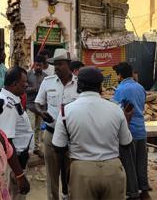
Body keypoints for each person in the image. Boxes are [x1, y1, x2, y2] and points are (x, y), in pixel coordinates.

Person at [53, 67, 132, 200]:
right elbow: (126, 144)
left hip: (81, 171)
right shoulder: (116, 110)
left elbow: (58, 147)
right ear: (100, 86)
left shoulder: (66, 111)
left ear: (79, 85)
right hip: (112, 170)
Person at [35, 49, 79, 200]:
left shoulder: (79, 84)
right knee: (52, 175)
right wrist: (41, 112)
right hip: (51, 134)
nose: (57, 67)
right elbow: (37, 104)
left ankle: (68, 196)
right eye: (55, 64)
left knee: (71, 173)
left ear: (69, 65)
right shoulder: (47, 82)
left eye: (60, 64)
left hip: (72, 137)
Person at [112, 62, 150, 199]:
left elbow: (115, 109)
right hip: (141, 130)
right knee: (141, 163)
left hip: (129, 131)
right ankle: (144, 190)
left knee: (129, 164)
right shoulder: (140, 87)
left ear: (120, 75)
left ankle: (133, 194)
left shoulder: (121, 89)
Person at [0, 67, 34, 200]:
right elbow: (6, 141)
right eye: (24, 81)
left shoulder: (12, 99)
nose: (27, 84)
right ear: (14, 84)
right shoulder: (8, 105)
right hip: (14, 162)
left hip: (18, 159)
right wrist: (19, 175)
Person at [26, 56, 47, 158]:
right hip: (30, 106)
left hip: (41, 107)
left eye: (40, 65)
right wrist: (32, 89)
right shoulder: (28, 75)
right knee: (30, 128)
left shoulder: (46, 77)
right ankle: (27, 150)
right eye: (37, 65)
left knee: (38, 128)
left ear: (43, 65)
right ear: (34, 64)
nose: (38, 67)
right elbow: (24, 89)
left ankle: (36, 149)